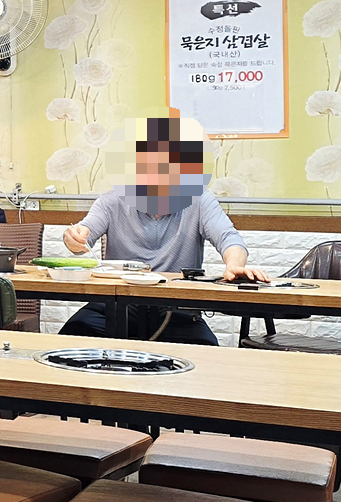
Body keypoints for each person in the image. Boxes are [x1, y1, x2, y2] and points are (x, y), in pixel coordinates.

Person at [58, 116, 268, 346]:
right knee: (70, 339)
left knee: (207, 351)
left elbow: (229, 238)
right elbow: (83, 234)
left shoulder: (199, 200)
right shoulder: (111, 201)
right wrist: (73, 237)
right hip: (114, 306)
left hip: (177, 308)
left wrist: (234, 265)